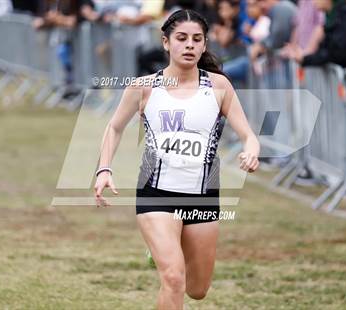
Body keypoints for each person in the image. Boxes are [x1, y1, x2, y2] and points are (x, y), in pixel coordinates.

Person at [94, 9, 260, 309]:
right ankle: (164, 248)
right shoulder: (144, 87)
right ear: (166, 42)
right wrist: (104, 168)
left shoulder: (219, 87)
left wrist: (251, 151)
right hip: (156, 195)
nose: (189, 45)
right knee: (173, 278)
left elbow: (249, 135)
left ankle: (163, 249)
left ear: (205, 45)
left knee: (197, 290)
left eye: (197, 39)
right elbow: (114, 127)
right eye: (181, 38)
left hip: (202, 197)